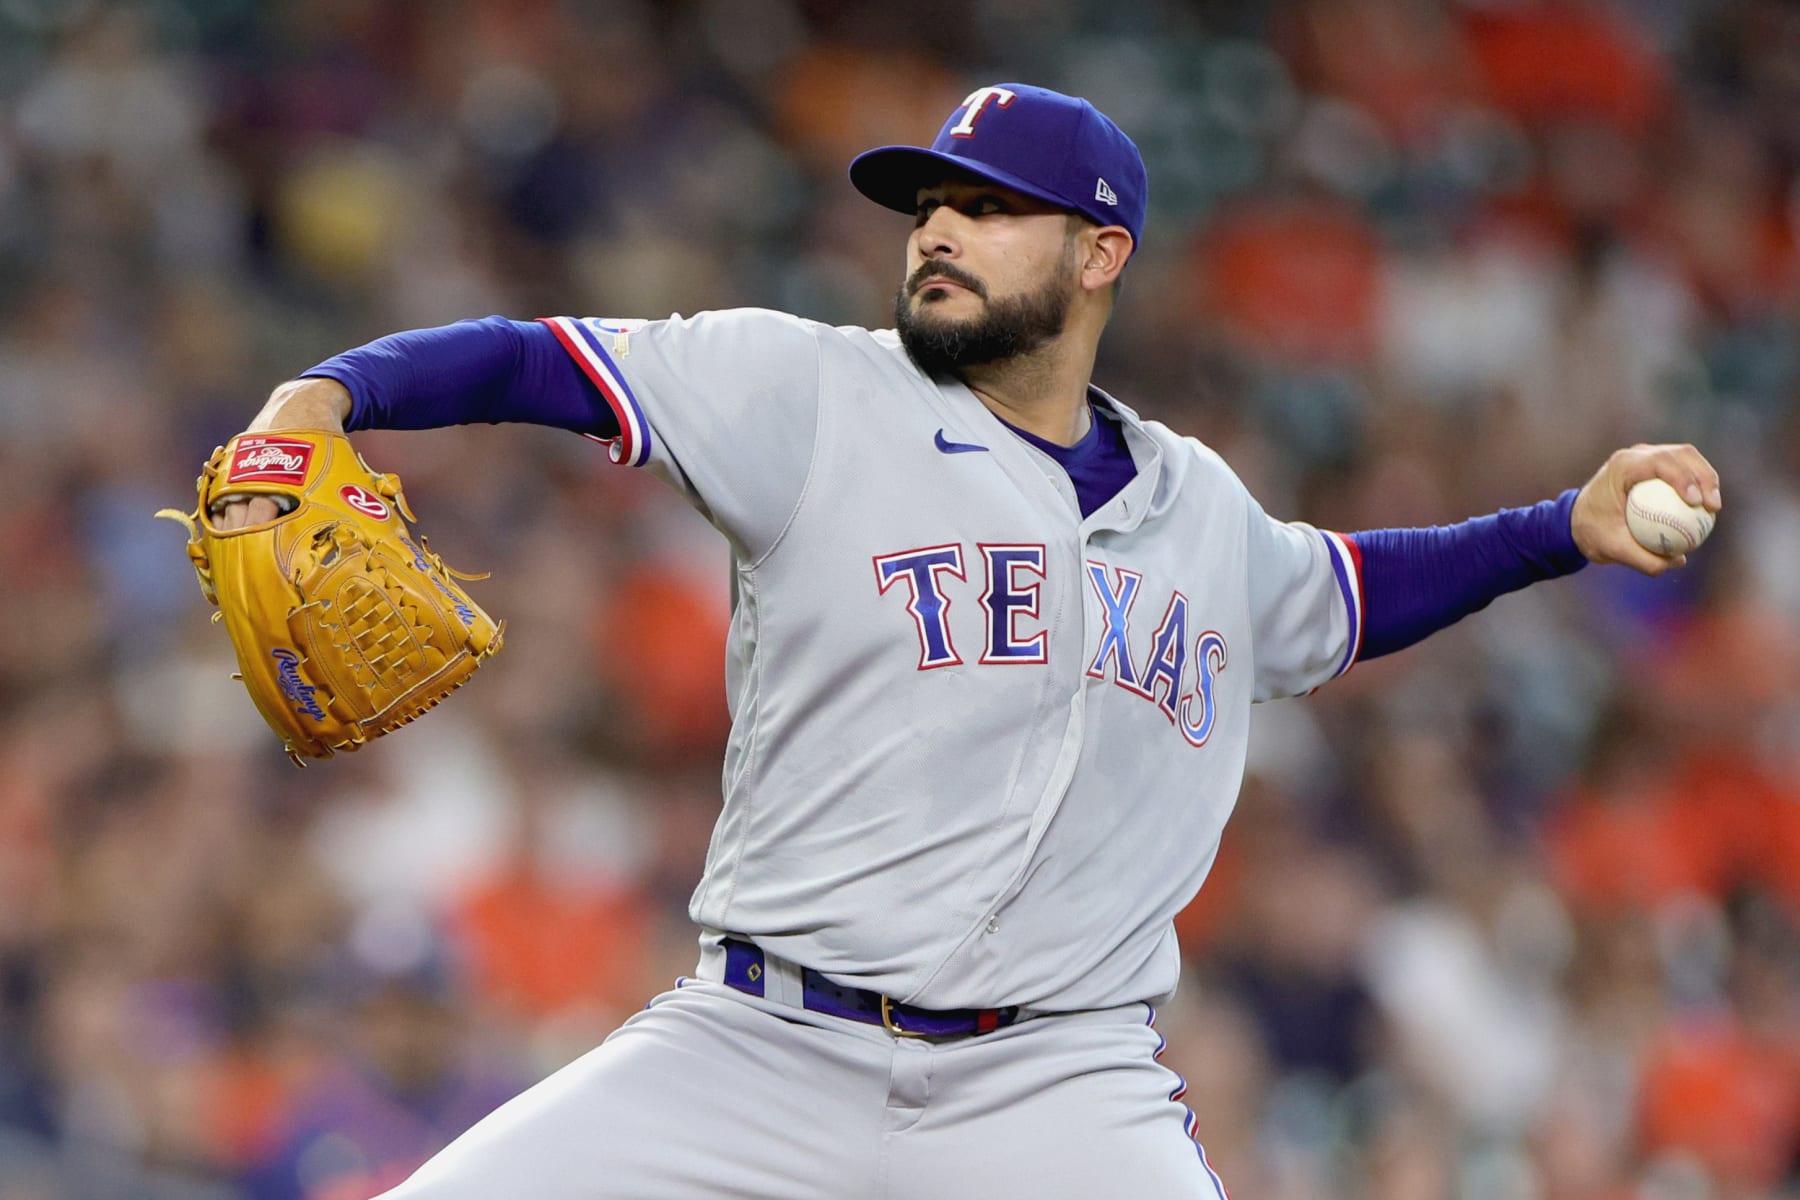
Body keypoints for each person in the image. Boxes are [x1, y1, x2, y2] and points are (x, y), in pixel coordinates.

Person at [214, 84, 1720, 1199]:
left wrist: (1556, 527)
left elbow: (1347, 589)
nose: (939, 226)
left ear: (1099, 255)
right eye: (931, 203)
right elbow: (537, 360)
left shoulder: (1200, 505)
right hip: (758, 1047)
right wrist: (324, 397)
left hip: (1056, 1083)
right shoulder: (811, 392)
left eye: (991, 207)